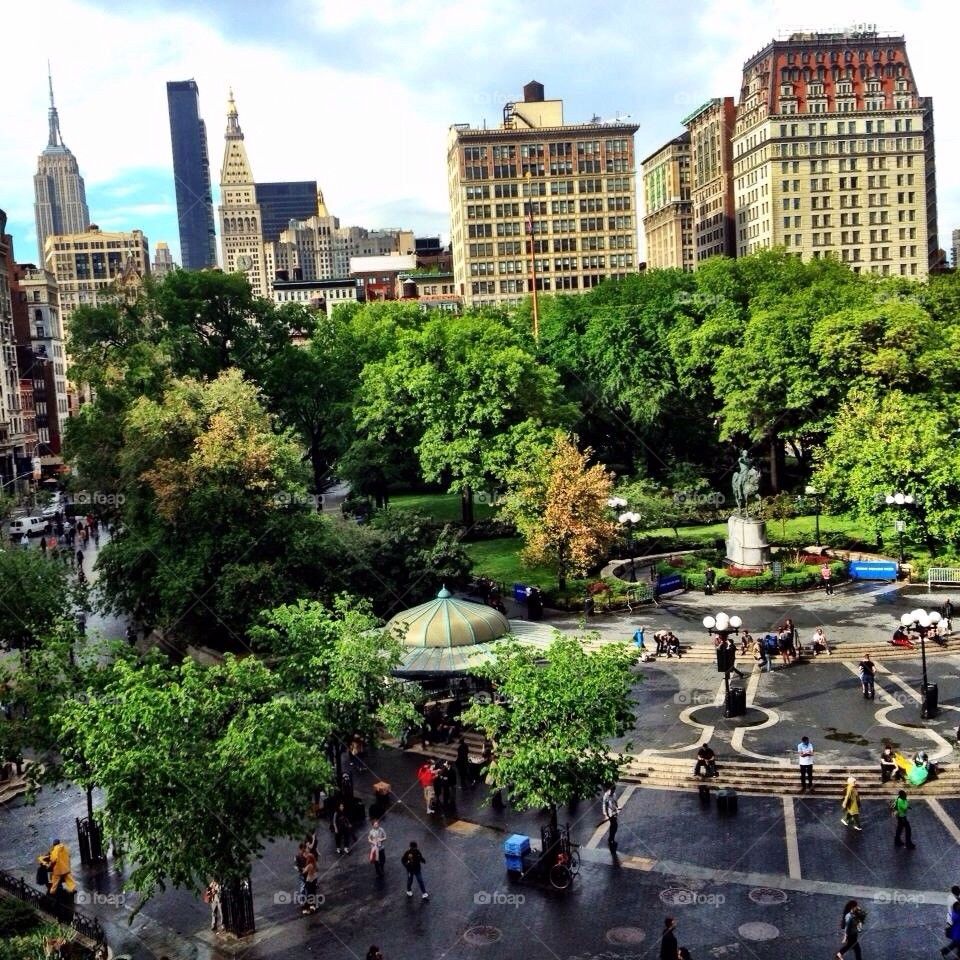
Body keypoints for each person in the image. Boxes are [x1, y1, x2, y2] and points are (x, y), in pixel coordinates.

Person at [943, 889, 960, 958]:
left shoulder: (955, 913)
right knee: (956, 945)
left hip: (956, 934)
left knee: (955, 944)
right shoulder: (957, 915)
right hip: (958, 934)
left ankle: (944, 951)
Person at [602, 783, 619, 849]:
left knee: (614, 826)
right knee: (614, 825)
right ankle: (611, 839)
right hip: (610, 813)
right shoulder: (606, 795)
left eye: (614, 790)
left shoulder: (614, 794)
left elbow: (615, 802)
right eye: (612, 790)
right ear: (610, 789)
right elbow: (604, 805)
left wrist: (617, 807)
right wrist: (605, 814)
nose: (613, 792)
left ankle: (611, 838)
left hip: (614, 812)